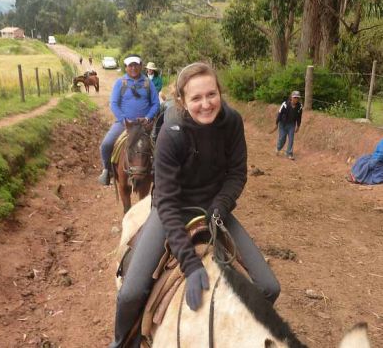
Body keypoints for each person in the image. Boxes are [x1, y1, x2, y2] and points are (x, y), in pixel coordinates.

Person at [109, 62, 280, 348]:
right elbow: (164, 198)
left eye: (211, 94)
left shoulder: (232, 122)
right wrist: (190, 263)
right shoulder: (172, 132)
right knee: (131, 293)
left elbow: (237, 173)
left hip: (215, 210)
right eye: (196, 98)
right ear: (182, 101)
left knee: (268, 287)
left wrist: (220, 206)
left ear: (220, 93)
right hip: (172, 210)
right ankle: (120, 343)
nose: (205, 104)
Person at [98, 54, 160, 186]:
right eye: (130, 65)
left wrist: (148, 117)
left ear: (141, 66)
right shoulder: (120, 83)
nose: (133, 68)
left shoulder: (148, 83)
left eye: (136, 65)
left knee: (160, 146)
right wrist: (124, 119)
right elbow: (113, 103)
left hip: (145, 125)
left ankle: (159, 173)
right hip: (124, 124)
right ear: (126, 67)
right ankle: (106, 170)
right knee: (106, 144)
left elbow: (156, 104)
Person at [275, 90, 303, 160]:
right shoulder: (285, 104)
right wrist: (276, 124)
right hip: (283, 124)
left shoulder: (299, 106)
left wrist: (298, 126)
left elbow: (299, 116)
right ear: (291, 97)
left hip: (292, 125)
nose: (296, 99)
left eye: (297, 98)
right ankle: (278, 148)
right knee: (282, 138)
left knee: (291, 139)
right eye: (294, 97)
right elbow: (279, 114)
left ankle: (289, 153)